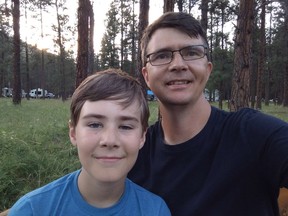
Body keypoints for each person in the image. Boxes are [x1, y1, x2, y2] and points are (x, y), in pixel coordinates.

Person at [128, 11, 288, 216]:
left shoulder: (253, 135)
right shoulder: (134, 152)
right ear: (146, 76)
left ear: (208, 69)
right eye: (162, 55)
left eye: (192, 52)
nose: (178, 64)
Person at [9, 69, 171, 216]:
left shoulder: (155, 211)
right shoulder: (31, 210)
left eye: (126, 126)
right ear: (73, 133)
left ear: (142, 137)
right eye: (94, 124)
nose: (109, 140)